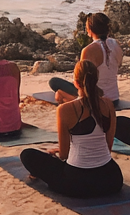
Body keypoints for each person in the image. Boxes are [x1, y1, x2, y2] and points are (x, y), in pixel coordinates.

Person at [21, 59, 123, 197]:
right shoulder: (108, 104)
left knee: (27, 155)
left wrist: (58, 153)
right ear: (96, 79)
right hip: (111, 180)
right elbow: (108, 146)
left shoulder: (65, 109)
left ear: (75, 83)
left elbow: (64, 155)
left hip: (78, 183)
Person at [50, 11, 123, 103]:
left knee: (54, 82)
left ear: (90, 30)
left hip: (96, 100)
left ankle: (69, 99)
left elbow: (80, 81)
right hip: (114, 99)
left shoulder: (88, 50)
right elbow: (119, 64)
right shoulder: (116, 44)